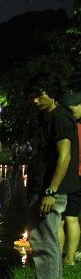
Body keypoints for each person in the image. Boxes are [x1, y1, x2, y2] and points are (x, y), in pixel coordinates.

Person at [23, 75, 79, 279]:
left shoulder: (60, 119)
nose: (36, 100)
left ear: (52, 93)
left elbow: (64, 157)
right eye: (32, 96)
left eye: (40, 95)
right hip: (43, 187)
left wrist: (50, 191)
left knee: (43, 242)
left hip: (48, 190)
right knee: (50, 241)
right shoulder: (47, 118)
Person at [59, 91, 81, 265]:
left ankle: (56, 258)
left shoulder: (68, 127)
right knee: (73, 218)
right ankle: (70, 258)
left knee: (59, 220)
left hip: (68, 177)